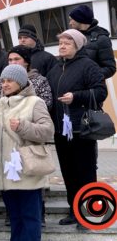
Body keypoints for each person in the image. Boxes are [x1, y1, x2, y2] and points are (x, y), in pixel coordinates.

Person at [47, 29, 107, 228]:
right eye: (61, 42)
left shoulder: (88, 65)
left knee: (86, 173)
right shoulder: (56, 68)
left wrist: (76, 96)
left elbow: (100, 91)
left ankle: (89, 214)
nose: (62, 46)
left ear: (78, 46)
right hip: (61, 131)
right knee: (68, 173)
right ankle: (74, 211)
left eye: (67, 43)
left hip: (82, 129)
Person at [0, 64, 54, 241]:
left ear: (21, 82)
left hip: (26, 170)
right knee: (15, 218)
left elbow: (48, 131)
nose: (5, 84)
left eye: (9, 80)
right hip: (5, 171)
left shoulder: (35, 102)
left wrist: (23, 127)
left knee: (30, 218)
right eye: (3, 81)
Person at [69, 5, 116, 79]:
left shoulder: (101, 39)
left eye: (72, 19)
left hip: (93, 87)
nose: (70, 23)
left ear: (80, 20)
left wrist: (90, 76)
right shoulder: (73, 36)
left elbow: (110, 68)